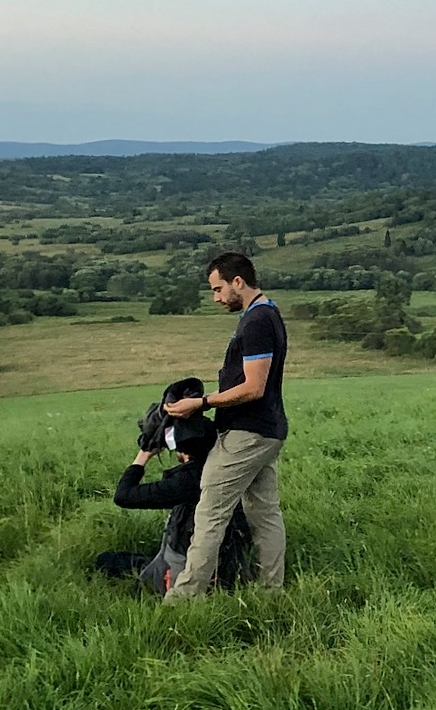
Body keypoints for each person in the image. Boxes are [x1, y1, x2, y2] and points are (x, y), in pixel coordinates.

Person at [161, 252, 290, 598]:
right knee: (264, 512)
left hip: (247, 434)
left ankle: (184, 598)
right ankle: (270, 592)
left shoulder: (258, 321)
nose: (216, 298)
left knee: (210, 513)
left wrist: (201, 403)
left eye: (218, 289)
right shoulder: (266, 313)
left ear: (238, 282)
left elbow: (253, 387)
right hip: (267, 429)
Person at [92, 410, 253, 594]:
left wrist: (145, 453)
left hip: (191, 564)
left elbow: (123, 495)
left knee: (107, 562)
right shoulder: (225, 468)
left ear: (182, 449)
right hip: (231, 558)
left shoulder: (189, 481)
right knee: (122, 560)